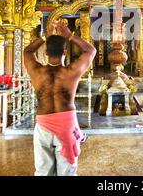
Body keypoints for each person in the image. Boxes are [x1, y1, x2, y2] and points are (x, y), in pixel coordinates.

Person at [24, 21, 96, 176]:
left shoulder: (37, 72)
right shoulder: (71, 72)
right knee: (67, 172)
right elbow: (90, 50)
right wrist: (70, 36)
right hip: (66, 125)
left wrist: (45, 36)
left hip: (43, 125)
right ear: (65, 52)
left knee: (43, 171)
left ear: (46, 53)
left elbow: (28, 51)